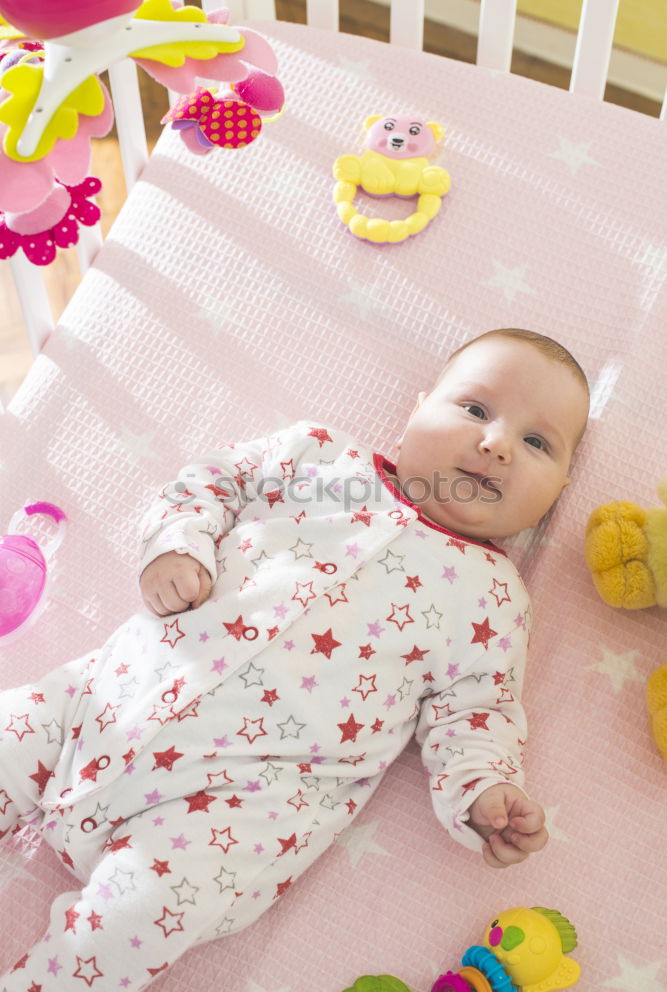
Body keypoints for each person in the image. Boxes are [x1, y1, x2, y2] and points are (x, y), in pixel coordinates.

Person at [0, 328, 589, 990]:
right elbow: (212, 481)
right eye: (474, 409)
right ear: (415, 411)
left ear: (560, 486)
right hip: (98, 704)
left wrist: (483, 790)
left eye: (535, 443)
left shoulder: (491, 597)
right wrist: (178, 545)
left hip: (223, 814)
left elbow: (476, 711)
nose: (496, 443)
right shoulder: (325, 467)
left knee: (131, 925)